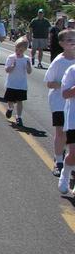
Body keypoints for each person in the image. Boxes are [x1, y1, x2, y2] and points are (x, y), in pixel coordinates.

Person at [44, 29, 75, 176]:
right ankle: (58, 161)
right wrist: (64, 85)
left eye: (74, 39)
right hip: (59, 101)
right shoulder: (59, 61)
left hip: (73, 103)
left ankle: (69, 160)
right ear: (61, 43)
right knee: (61, 132)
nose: (73, 41)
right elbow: (49, 82)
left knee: (71, 135)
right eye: (69, 39)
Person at [4, 37, 32, 126]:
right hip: (11, 84)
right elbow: (7, 70)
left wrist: (28, 66)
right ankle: (10, 108)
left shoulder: (27, 59)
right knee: (10, 100)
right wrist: (12, 66)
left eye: (20, 49)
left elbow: (29, 72)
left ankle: (19, 117)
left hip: (21, 84)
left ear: (24, 49)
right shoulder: (11, 57)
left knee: (20, 101)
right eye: (16, 48)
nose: (18, 51)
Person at [58, 55, 75, 195]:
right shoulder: (72, 70)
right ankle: (65, 174)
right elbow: (65, 94)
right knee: (73, 153)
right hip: (74, 118)